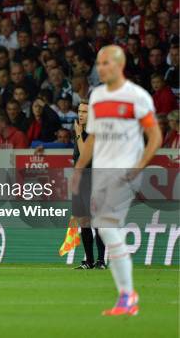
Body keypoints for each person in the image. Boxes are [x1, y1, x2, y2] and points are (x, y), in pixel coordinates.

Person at [71, 45, 162, 316]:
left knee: (106, 224)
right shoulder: (97, 97)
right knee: (106, 227)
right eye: (98, 64)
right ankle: (127, 295)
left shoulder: (137, 96)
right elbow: (94, 137)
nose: (100, 68)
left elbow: (155, 136)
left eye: (105, 63)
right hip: (102, 172)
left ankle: (127, 296)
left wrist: (140, 165)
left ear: (119, 65)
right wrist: (78, 169)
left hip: (126, 171)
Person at [72, 99, 105, 270]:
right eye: (79, 111)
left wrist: (78, 134)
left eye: (84, 112)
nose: (80, 115)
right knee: (84, 222)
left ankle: (101, 261)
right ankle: (89, 261)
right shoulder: (80, 131)